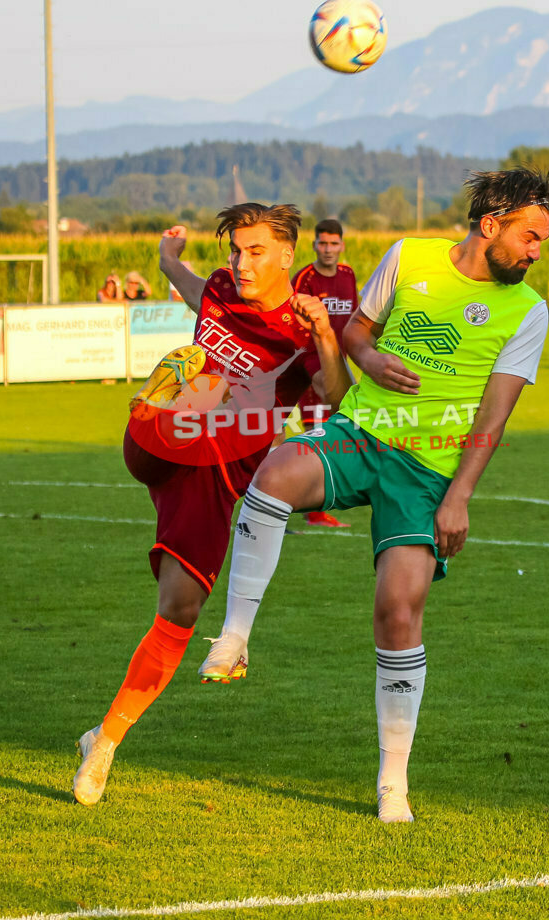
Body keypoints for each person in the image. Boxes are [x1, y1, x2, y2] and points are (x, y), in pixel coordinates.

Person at [198, 168, 549, 823]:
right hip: (361, 430)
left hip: (427, 472)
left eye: (542, 241)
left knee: (397, 612)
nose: (537, 250)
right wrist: (367, 362)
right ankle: (233, 637)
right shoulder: (409, 255)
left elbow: (493, 416)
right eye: (531, 236)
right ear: (491, 225)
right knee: (276, 474)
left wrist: (458, 497)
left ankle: (391, 783)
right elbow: (356, 335)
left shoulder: (528, 310)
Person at [72, 203, 350, 807]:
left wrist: (326, 335)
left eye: (254, 252)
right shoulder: (221, 288)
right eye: (234, 250)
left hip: (215, 478)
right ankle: (168, 395)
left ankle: (104, 744)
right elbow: (192, 287)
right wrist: (169, 258)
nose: (240, 262)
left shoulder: (303, 328)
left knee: (179, 608)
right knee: (194, 363)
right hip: (160, 437)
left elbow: (335, 393)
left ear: (285, 256)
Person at [292, 219, 358, 527]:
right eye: (323, 243)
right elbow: (292, 323)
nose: (328, 249)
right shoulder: (304, 278)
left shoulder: (348, 275)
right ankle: (311, 508)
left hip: (339, 362)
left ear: (342, 245)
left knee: (340, 427)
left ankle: (317, 499)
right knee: (317, 433)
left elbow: (354, 316)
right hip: (311, 363)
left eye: (334, 244)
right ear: (315, 245)